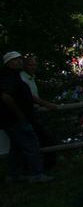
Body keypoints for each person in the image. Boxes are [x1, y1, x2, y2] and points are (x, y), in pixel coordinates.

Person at [1, 51, 52, 182]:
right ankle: (36, 173)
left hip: (14, 119)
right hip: (16, 119)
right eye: (15, 60)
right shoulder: (8, 78)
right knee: (32, 144)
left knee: (17, 147)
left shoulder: (15, 76)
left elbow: (27, 97)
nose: (19, 62)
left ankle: (13, 175)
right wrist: (19, 113)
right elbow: (6, 97)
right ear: (8, 63)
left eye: (19, 59)